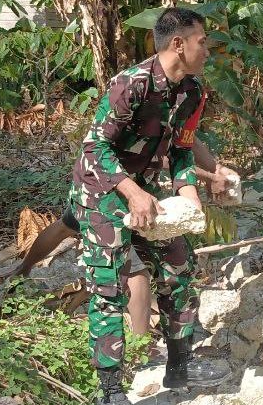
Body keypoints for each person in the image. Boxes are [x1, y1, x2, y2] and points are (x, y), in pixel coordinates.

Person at [69, 7, 230, 405]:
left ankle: (180, 368)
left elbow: (181, 150)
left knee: (179, 267)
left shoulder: (191, 91)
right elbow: (94, 148)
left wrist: (188, 196)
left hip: (145, 192)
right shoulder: (132, 84)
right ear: (178, 44)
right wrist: (133, 193)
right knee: (110, 287)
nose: (207, 50)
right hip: (102, 192)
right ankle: (110, 394)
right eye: (202, 42)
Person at [16, 139, 236, 362]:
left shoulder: (169, 121)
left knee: (66, 225)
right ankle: (141, 349)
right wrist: (210, 176)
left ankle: (22, 270)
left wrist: (216, 169)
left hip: (112, 182)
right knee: (135, 270)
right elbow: (166, 158)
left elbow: (186, 142)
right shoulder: (143, 123)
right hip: (110, 188)